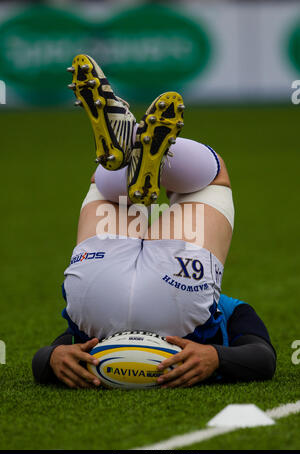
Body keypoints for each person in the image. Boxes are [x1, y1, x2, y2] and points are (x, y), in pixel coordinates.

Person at [32, 54, 276, 389]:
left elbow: (263, 357)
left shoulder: (226, 306)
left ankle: (129, 142)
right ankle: (131, 149)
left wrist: (52, 358)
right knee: (107, 189)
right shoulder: (231, 311)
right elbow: (264, 358)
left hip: (166, 292)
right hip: (103, 299)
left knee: (212, 175)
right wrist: (217, 357)